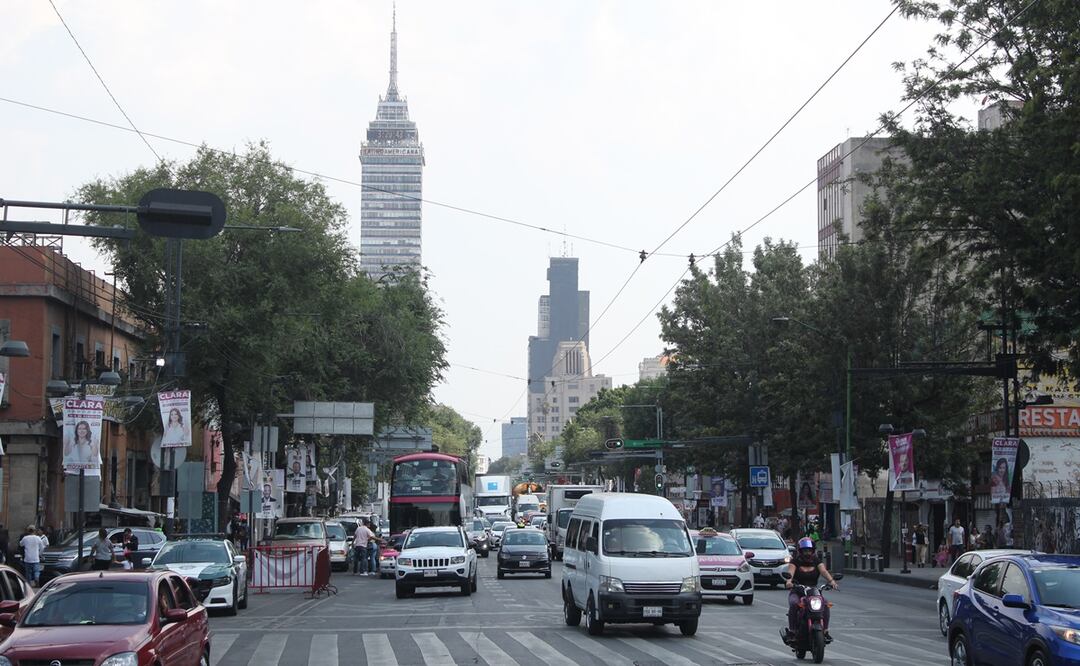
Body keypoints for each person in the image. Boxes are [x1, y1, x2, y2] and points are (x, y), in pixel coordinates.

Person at [784, 537, 839, 641]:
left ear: (813, 551)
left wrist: (832, 581)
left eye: (809, 550)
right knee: (794, 604)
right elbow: (790, 572)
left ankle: (825, 631)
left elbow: (824, 571)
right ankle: (792, 631)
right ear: (800, 551)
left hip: (813, 592)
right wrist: (789, 582)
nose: (807, 553)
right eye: (805, 551)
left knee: (825, 604)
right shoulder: (795, 561)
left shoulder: (816, 561)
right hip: (798, 591)